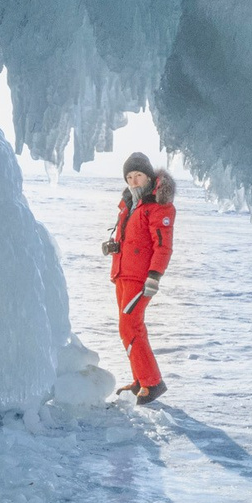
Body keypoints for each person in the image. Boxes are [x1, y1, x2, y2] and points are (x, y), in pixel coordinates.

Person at [102, 151, 175, 404]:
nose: (133, 181)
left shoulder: (158, 205)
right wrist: (113, 247)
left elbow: (162, 246)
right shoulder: (130, 205)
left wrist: (154, 276)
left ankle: (152, 383)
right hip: (122, 273)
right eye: (129, 177)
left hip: (141, 278)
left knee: (129, 326)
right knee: (130, 329)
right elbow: (131, 239)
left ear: (149, 176)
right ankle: (140, 380)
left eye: (138, 175)